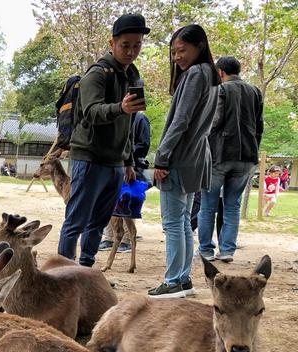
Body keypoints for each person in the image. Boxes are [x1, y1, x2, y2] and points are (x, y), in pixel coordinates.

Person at [56, 14, 147, 267]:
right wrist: (121, 107)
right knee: (76, 220)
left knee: (99, 221)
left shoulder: (132, 76)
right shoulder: (98, 74)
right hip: (89, 157)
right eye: (125, 45)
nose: (131, 51)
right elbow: (91, 112)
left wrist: (128, 160)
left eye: (137, 45)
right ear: (112, 43)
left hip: (116, 163)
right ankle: (64, 274)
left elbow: (128, 125)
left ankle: (85, 271)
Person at [150, 24, 220, 298]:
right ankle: (183, 279)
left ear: (199, 46)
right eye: (174, 52)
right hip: (196, 158)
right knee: (182, 222)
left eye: (182, 50)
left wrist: (162, 157)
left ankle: (173, 280)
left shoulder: (194, 74)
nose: (177, 57)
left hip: (179, 158)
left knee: (173, 223)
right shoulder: (211, 76)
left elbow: (181, 121)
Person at [197, 55, 263, 263]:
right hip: (246, 156)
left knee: (208, 205)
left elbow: (214, 121)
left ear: (220, 72)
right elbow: (259, 125)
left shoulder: (221, 90)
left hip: (220, 154)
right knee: (232, 205)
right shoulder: (255, 91)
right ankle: (227, 250)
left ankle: (206, 249)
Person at [98, 110, 151, 253]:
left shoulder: (140, 118)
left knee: (127, 201)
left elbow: (143, 144)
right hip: (112, 165)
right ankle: (109, 237)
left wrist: (126, 154)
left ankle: (127, 239)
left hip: (131, 167)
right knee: (110, 201)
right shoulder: (117, 115)